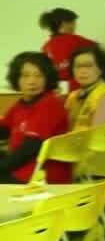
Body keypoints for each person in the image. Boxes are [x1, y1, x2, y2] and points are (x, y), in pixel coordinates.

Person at [0, 52, 70, 184]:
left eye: (39, 75)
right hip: (23, 169)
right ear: (16, 78)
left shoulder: (49, 104)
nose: (32, 81)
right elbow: (3, 130)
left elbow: (29, 149)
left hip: (41, 176)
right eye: (25, 76)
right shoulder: (22, 104)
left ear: (47, 78)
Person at [39, 7, 96, 90]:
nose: (75, 27)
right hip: (78, 86)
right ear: (64, 24)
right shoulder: (76, 40)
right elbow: (98, 51)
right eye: (73, 23)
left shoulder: (46, 46)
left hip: (56, 88)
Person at [65, 45, 105, 132]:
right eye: (78, 66)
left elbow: (98, 133)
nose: (83, 71)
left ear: (101, 69)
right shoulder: (73, 96)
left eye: (89, 66)